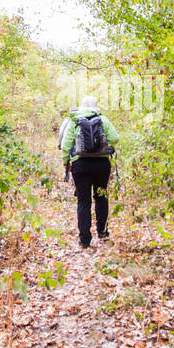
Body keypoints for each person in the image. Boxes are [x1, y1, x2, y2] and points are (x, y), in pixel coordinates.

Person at [61, 95, 120, 248]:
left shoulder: (74, 120)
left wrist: (65, 163)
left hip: (80, 165)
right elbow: (115, 138)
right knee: (101, 196)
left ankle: (85, 240)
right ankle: (102, 232)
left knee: (83, 201)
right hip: (102, 164)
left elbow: (66, 145)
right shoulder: (103, 120)